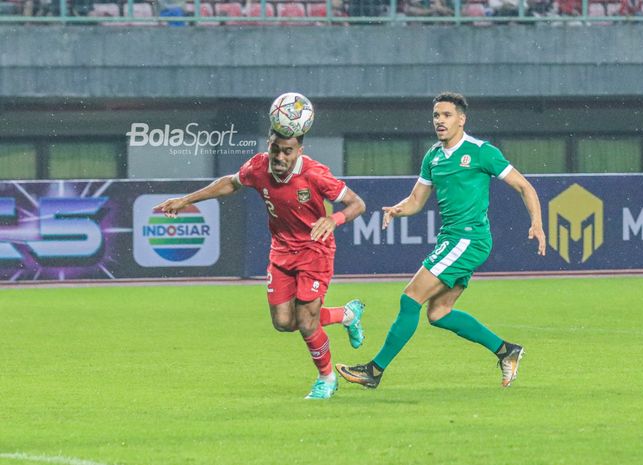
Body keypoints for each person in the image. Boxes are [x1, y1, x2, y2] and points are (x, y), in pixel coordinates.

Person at [336, 91, 546, 390]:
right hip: (452, 239)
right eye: (436, 115)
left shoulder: (481, 151)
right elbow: (416, 201)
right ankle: (506, 350)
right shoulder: (433, 156)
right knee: (438, 313)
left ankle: (374, 370)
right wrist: (398, 209)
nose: (440, 121)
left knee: (410, 298)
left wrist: (536, 222)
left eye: (446, 115)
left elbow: (524, 186)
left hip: (468, 239)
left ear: (462, 119)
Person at [156, 126, 367, 400]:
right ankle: (346, 315)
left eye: (287, 151)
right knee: (283, 322)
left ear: (299, 151)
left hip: (315, 251)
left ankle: (326, 378)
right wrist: (185, 200)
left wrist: (333, 219)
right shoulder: (258, 166)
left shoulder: (315, 174)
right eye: (275, 149)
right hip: (281, 252)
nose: (279, 157)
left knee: (305, 321)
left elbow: (357, 204)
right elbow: (230, 183)